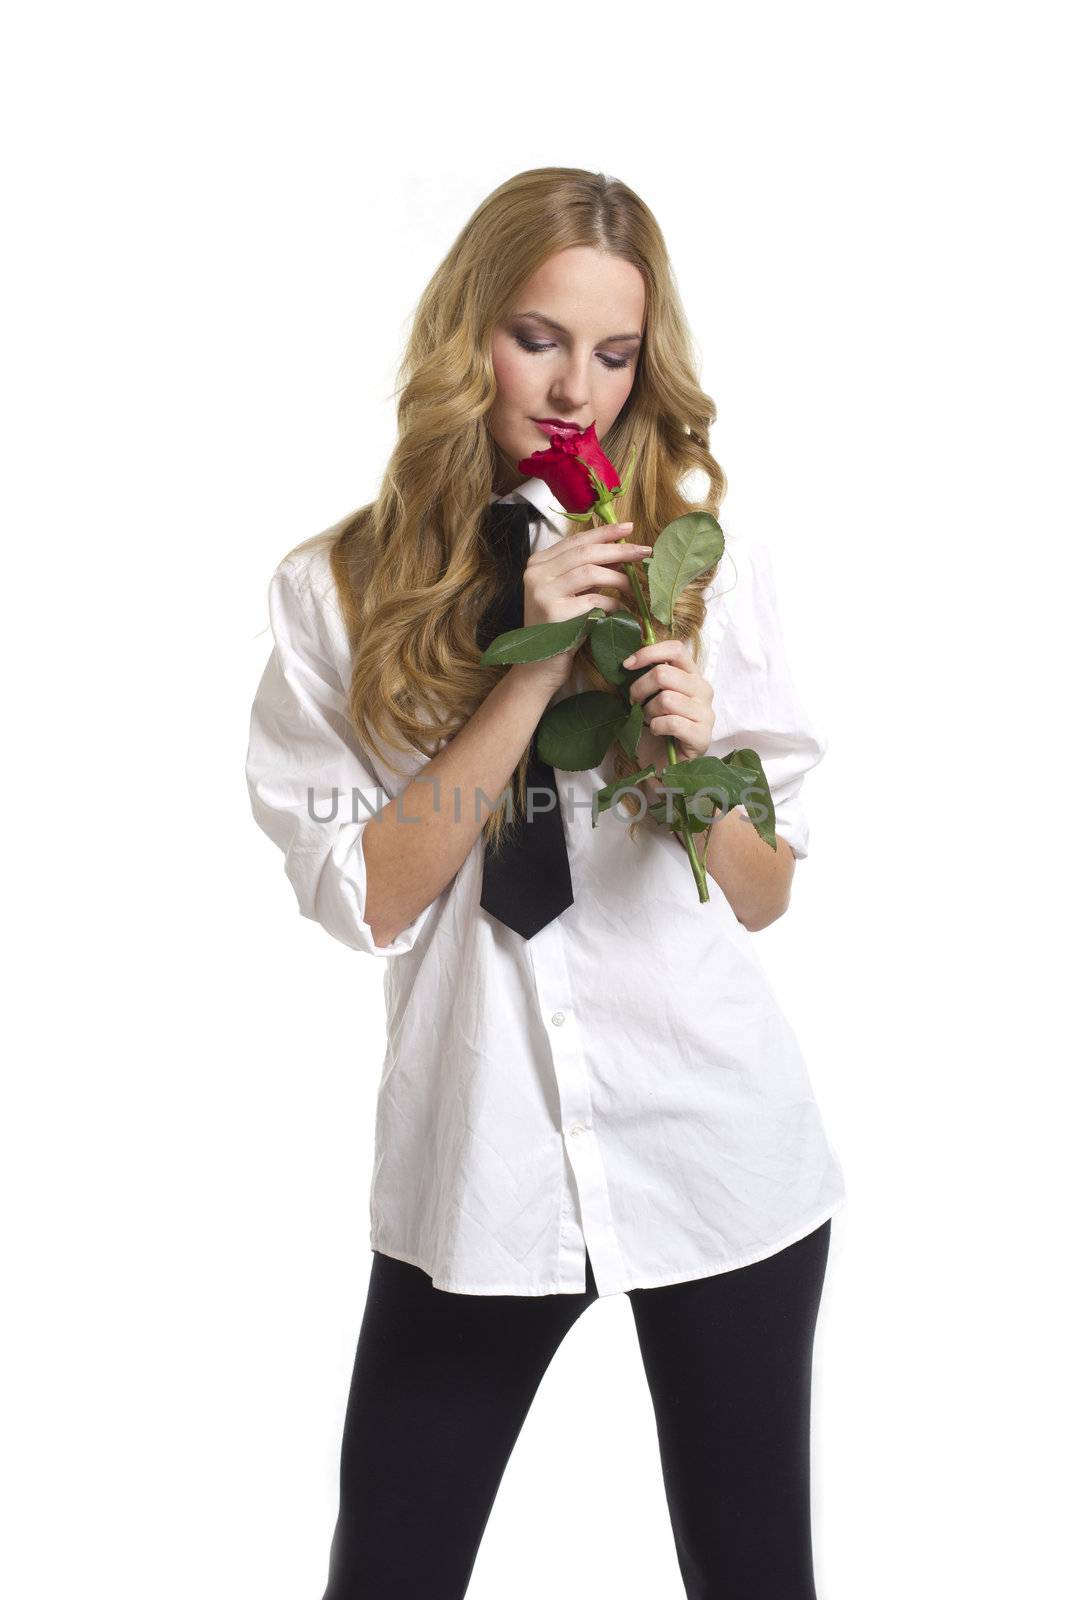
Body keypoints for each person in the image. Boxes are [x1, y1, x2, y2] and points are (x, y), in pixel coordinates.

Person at [245, 167, 846, 1600]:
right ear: (471, 333)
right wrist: (525, 674)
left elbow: (764, 894)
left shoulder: (703, 566)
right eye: (539, 337)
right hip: (485, 1166)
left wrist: (693, 755)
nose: (577, 387)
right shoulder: (335, 593)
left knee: (756, 1574)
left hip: (720, 1148)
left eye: (616, 353)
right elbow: (374, 895)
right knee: (390, 1567)